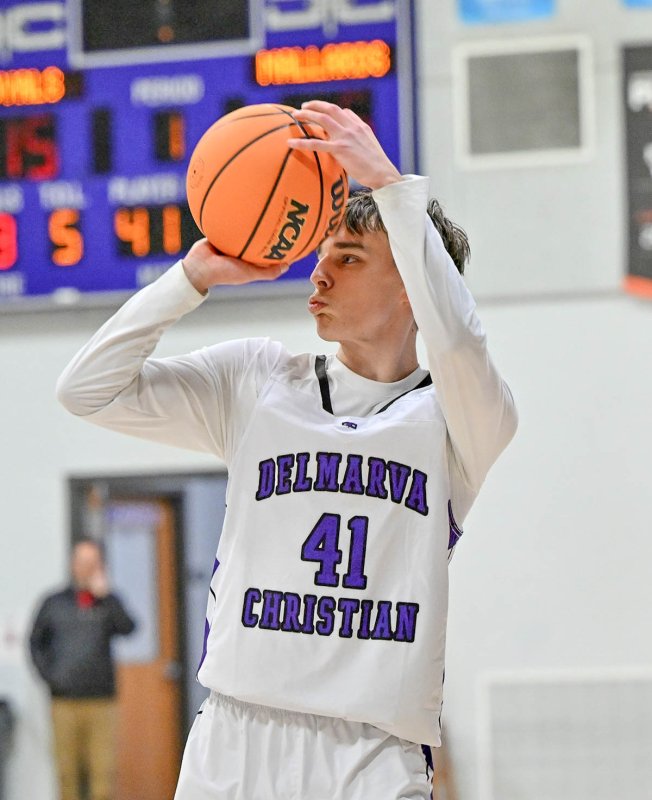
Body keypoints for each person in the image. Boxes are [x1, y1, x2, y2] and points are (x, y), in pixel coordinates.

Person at [56, 101, 517, 799]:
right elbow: (86, 390)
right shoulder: (258, 379)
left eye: (350, 258)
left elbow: (459, 339)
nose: (319, 275)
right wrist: (191, 279)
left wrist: (391, 186)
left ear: (413, 287)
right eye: (322, 255)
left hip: (372, 753)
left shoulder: (460, 418)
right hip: (236, 740)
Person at [29, 538, 136, 800]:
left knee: (102, 775)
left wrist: (107, 597)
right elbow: (35, 643)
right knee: (67, 775)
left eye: (92, 562)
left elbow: (129, 629)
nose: (86, 567)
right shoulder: (53, 602)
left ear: (100, 565)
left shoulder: (108, 602)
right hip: (64, 701)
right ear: (72, 563)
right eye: (82, 561)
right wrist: (51, 678)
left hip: (102, 701)